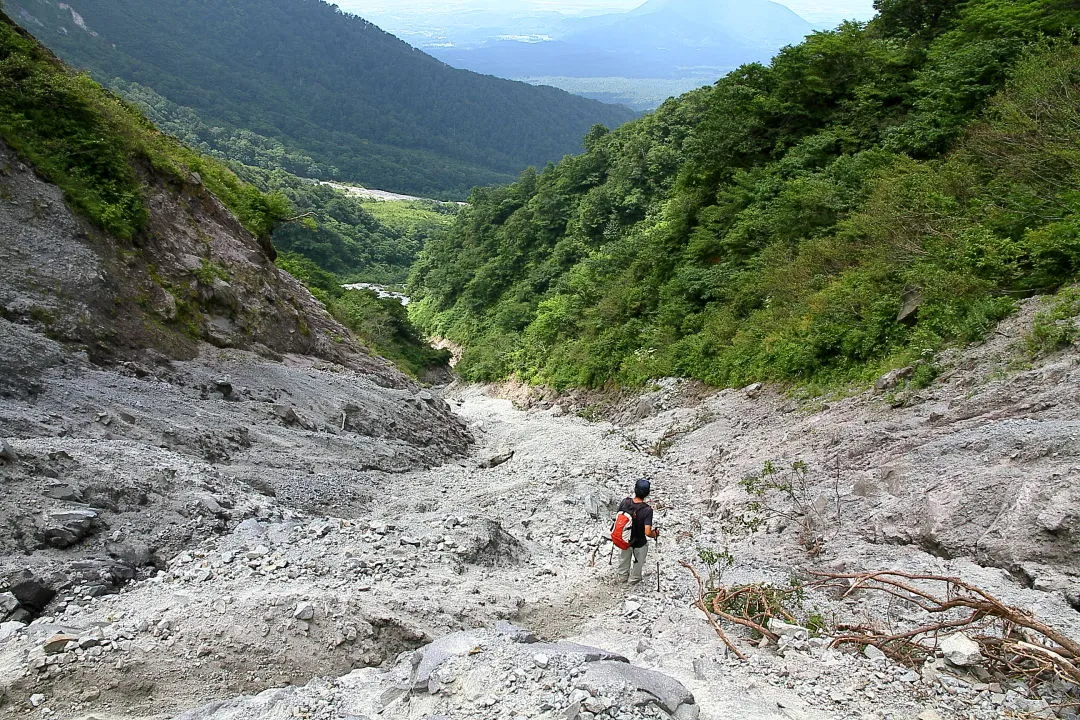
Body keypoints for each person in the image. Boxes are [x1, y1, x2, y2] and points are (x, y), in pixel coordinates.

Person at [616, 478, 659, 584]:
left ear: (635, 489)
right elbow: (648, 532)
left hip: (624, 538)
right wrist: (655, 534)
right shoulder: (647, 510)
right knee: (638, 561)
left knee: (624, 558)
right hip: (639, 542)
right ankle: (634, 579)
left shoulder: (625, 502)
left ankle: (622, 577)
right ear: (647, 493)